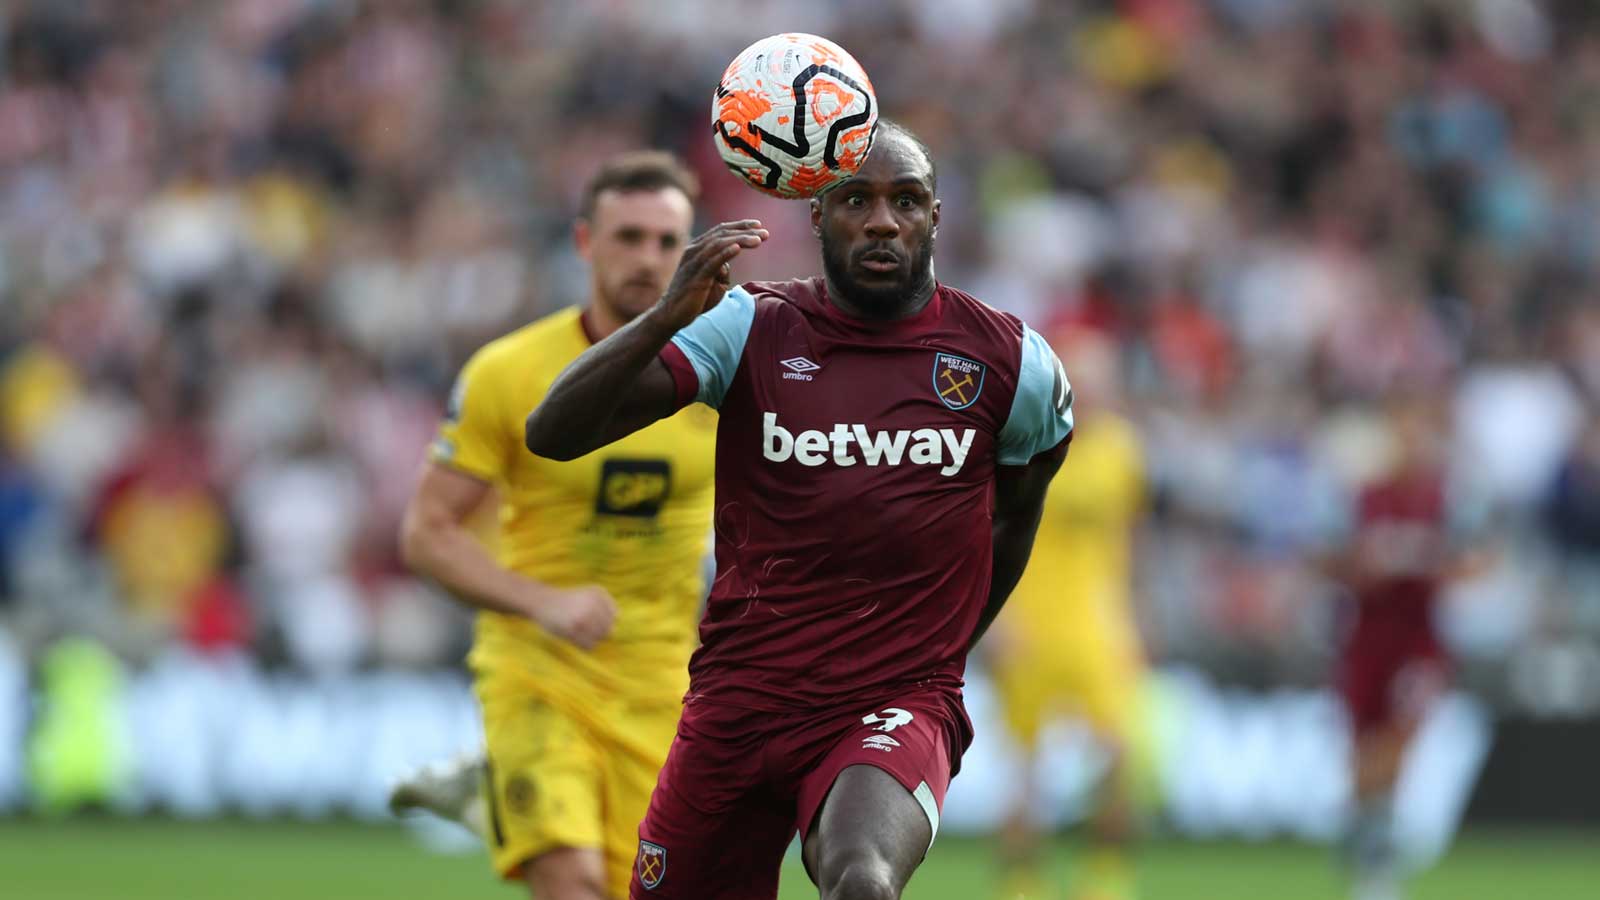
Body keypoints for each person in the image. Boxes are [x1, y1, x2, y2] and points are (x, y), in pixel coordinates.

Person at [523, 121, 1076, 900]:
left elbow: (1016, 515)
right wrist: (666, 315)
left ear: (936, 219)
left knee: (862, 879)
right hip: (739, 701)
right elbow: (553, 433)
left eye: (906, 201)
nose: (883, 220)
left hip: (894, 699)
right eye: (856, 199)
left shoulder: (1009, 362)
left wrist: (944, 652)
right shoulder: (751, 326)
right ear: (817, 218)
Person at [394, 151, 718, 900]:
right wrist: (543, 602)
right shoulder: (510, 372)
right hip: (538, 668)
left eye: (668, 243)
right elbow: (427, 533)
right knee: (571, 883)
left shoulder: (718, 375)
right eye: (628, 237)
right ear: (584, 243)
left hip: (663, 681)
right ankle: (509, 790)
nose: (648, 260)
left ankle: (488, 798)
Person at [987, 329, 1148, 900]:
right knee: (1026, 769)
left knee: (1120, 756)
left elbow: (1127, 545)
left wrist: (1134, 619)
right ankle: (1022, 883)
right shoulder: (1029, 443)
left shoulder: (1123, 453)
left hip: (1099, 626)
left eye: (1103, 376)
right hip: (1030, 623)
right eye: (1083, 375)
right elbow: (991, 532)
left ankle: (1102, 878)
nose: (1094, 388)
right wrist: (999, 619)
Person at [1326, 393, 1486, 900]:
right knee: (1364, 757)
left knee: (1398, 741)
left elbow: (1475, 565)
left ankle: (1378, 856)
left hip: (1418, 642)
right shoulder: (1366, 496)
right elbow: (1338, 564)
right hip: (1368, 639)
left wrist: (1422, 558)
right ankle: (1369, 849)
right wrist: (1373, 562)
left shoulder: (1447, 498)